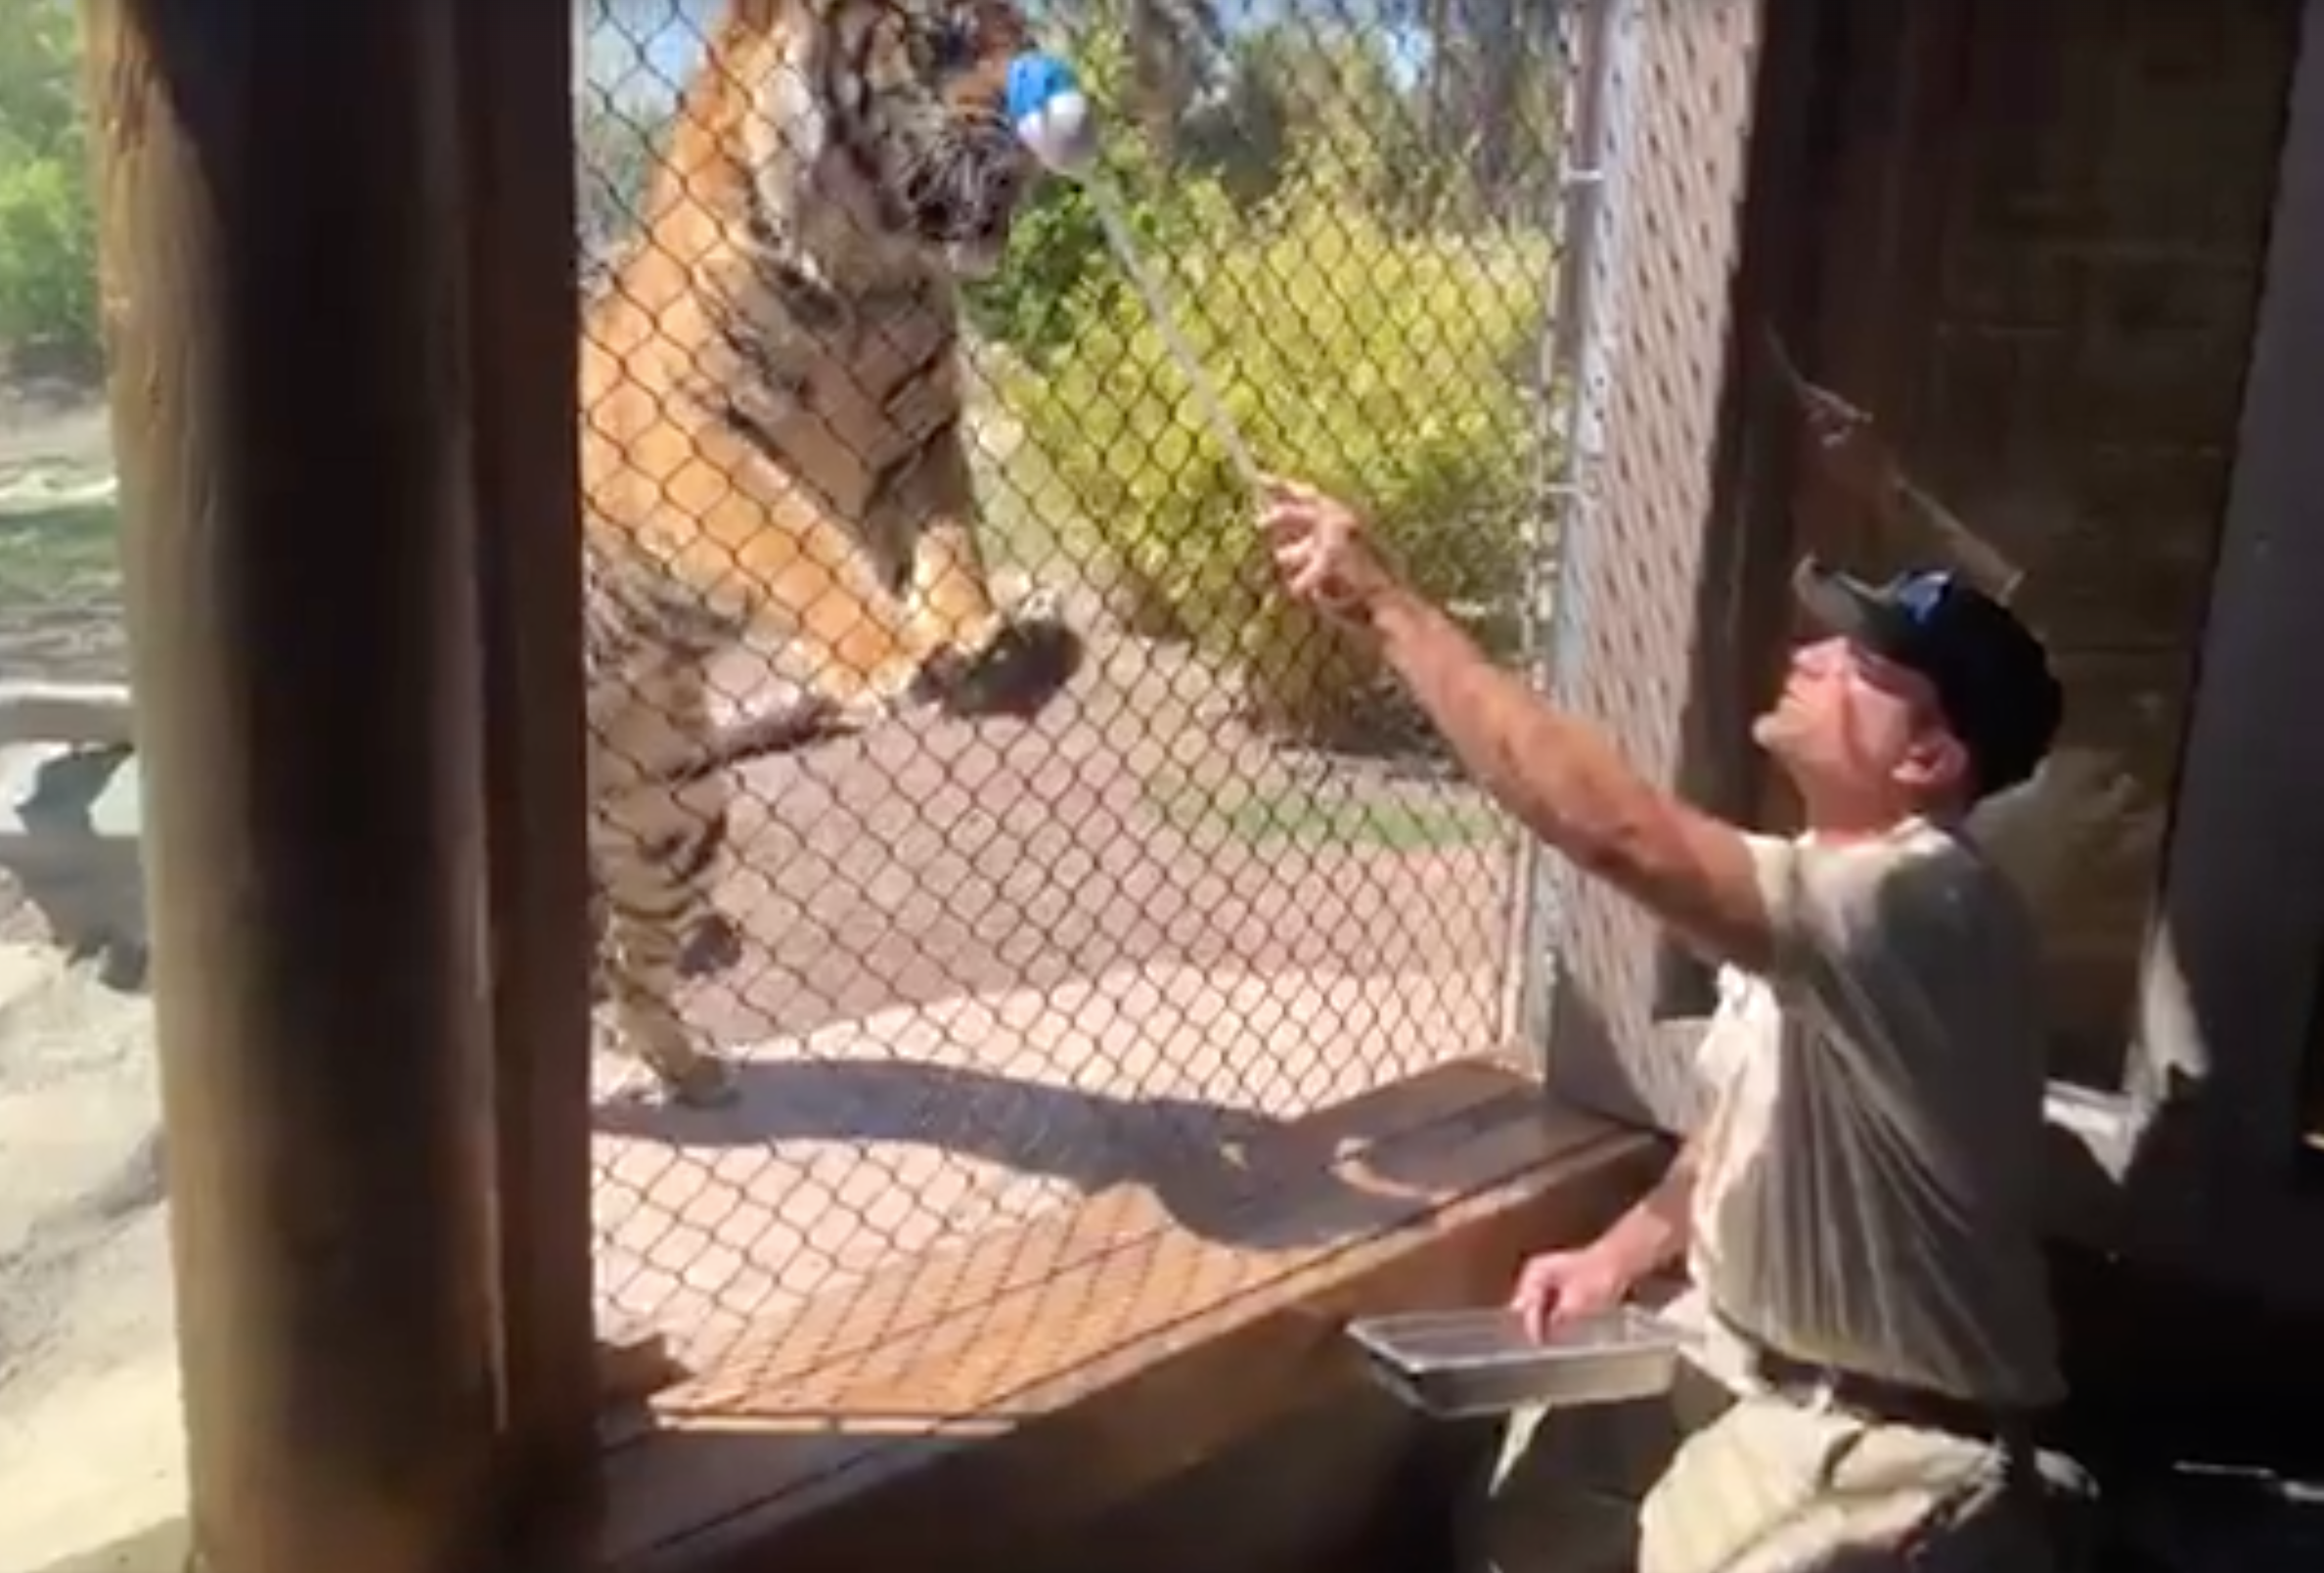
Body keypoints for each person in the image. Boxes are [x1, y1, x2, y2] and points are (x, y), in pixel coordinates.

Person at [1259, 474, 2081, 1573]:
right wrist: (1617, 1253)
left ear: (1927, 760)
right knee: (1527, 1519)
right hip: (1736, 1357)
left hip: (1880, 1432)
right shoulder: (1816, 900)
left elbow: (1619, 833)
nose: (1813, 655)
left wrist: (1389, 608)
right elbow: (1743, 1124)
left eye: (1864, 663)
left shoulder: (1920, 902)